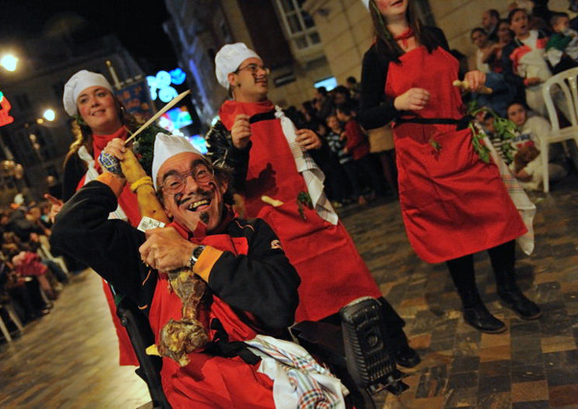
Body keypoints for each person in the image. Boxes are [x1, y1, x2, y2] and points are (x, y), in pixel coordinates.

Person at [51, 132, 346, 407]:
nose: (192, 187)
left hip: (273, 379)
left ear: (220, 184)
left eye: (201, 173)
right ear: (164, 205)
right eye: (174, 183)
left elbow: (279, 307)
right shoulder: (145, 251)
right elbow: (70, 228)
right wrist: (114, 176)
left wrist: (192, 255)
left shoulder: (252, 232)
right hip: (198, 398)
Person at [206, 42, 419, 367]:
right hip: (277, 230)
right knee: (311, 300)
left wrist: (317, 147)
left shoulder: (281, 114)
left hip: (313, 216)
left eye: (262, 67)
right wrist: (236, 148)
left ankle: (392, 340)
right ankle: (347, 359)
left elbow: (320, 168)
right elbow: (225, 184)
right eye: (253, 68)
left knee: (354, 281)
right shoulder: (222, 129)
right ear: (232, 78)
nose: (262, 73)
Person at [358, 0, 541, 334]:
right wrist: (396, 103)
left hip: (462, 139)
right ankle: (471, 304)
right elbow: (366, 117)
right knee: (452, 229)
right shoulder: (376, 56)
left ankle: (509, 288)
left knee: (498, 213)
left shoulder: (434, 36)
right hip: (423, 152)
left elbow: (453, 84)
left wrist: (470, 77)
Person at [57, 69, 146, 366]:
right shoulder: (76, 162)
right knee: (149, 346)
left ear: (116, 100)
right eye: (84, 100)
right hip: (120, 264)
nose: (94, 103)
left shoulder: (149, 136)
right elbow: (75, 219)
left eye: (100, 94)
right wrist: (62, 214)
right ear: (80, 116)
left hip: (164, 241)